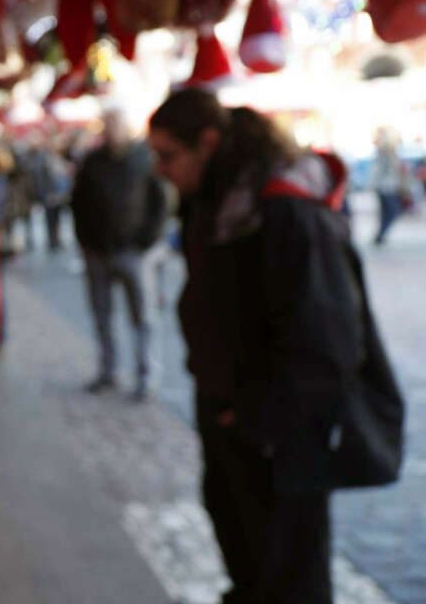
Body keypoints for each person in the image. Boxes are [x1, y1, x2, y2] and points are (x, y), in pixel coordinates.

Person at [148, 89, 403, 604]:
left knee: (289, 576)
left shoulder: (282, 210)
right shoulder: (214, 202)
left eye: (168, 155)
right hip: (234, 422)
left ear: (208, 142)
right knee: (247, 558)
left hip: (281, 440)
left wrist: (257, 418)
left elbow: (325, 341)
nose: (159, 169)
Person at [70, 109, 168, 400]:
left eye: (117, 125)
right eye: (108, 125)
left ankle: (146, 373)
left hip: (134, 252)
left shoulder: (143, 159)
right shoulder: (93, 162)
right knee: (102, 315)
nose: (112, 131)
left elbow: (160, 202)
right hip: (98, 251)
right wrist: (86, 240)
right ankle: (108, 370)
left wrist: (146, 240)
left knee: (143, 317)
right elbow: (78, 203)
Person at [371, 131, 410, 245]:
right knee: (392, 211)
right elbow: (381, 172)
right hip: (386, 188)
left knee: (387, 212)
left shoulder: (388, 154)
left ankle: (380, 235)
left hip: (386, 188)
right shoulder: (385, 154)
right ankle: (380, 235)